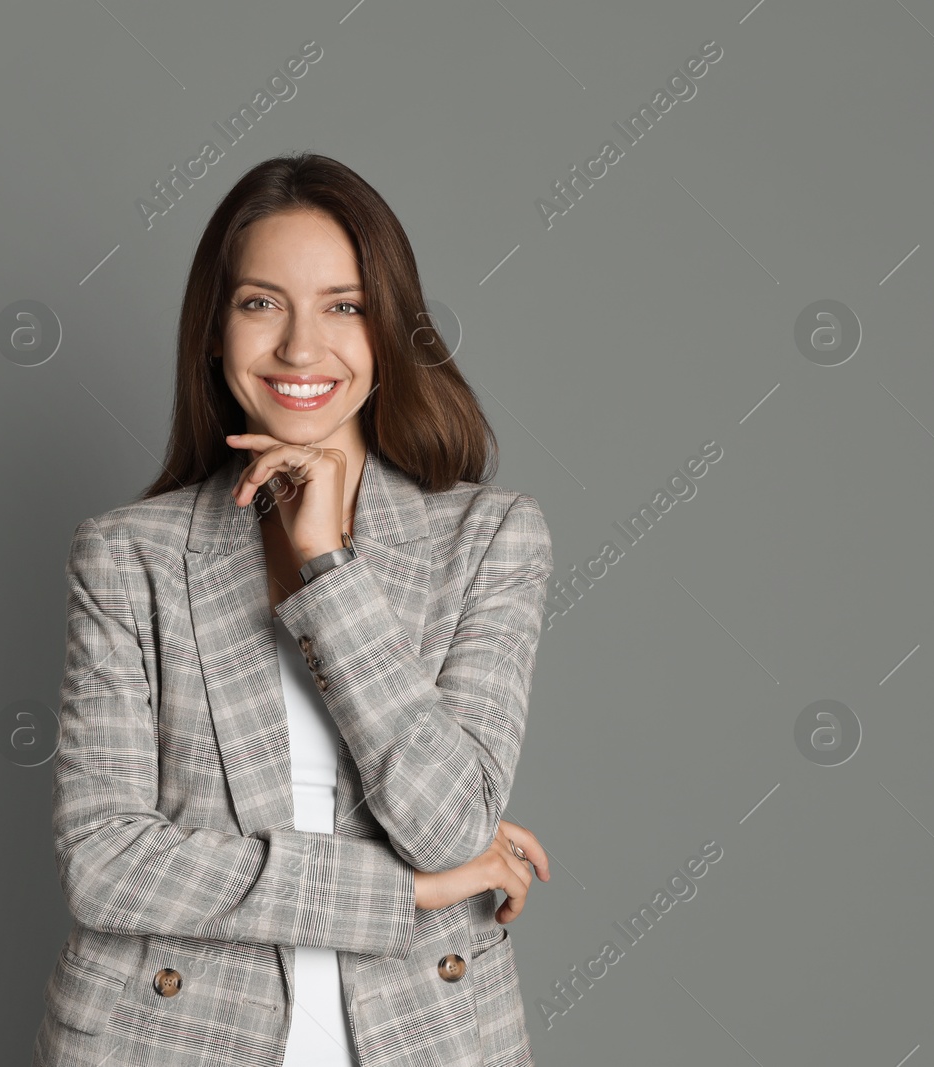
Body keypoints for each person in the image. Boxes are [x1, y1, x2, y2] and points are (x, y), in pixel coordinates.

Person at [34, 152, 554, 1067]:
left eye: (344, 306)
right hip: (166, 1039)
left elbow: (451, 826)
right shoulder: (127, 555)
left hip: (427, 1038)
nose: (300, 349)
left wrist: (325, 564)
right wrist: (412, 893)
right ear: (215, 329)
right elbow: (106, 862)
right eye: (261, 302)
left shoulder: (490, 538)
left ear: (389, 330)